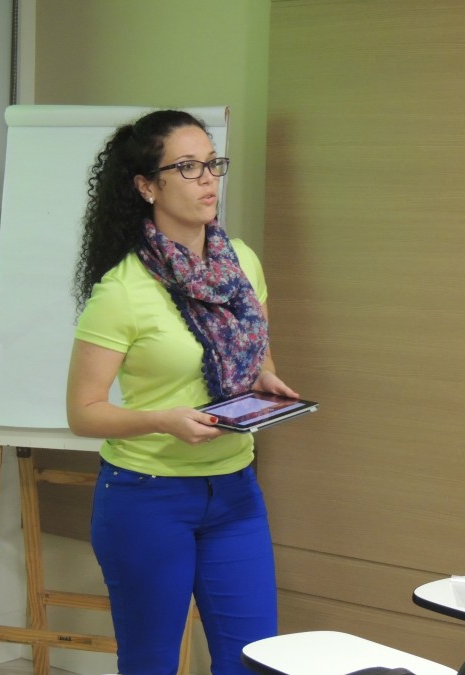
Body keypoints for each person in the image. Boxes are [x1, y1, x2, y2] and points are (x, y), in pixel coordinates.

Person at [66, 109, 299, 675]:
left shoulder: (241, 261)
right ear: (147, 186)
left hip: (236, 491)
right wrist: (162, 419)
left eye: (212, 164)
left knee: (253, 662)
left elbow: (255, 347)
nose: (208, 180)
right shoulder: (122, 290)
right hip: (148, 497)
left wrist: (264, 378)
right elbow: (84, 413)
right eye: (188, 167)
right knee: (150, 663)